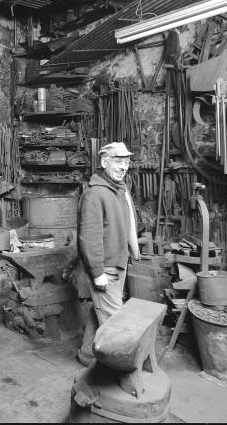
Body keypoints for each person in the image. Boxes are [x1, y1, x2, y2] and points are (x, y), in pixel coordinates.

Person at [73, 142, 140, 365]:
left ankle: (87, 353)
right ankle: (116, 371)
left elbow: (124, 224)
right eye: (118, 161)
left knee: (100, 308)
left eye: (127, 162)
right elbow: (89, 238)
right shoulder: (95, 195)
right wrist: (97, 272)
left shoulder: (118, 190)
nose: (123, 167)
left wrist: (133, 249)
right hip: (106, 269)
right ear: (104, 162)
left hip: (118, 264)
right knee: (115, 325)